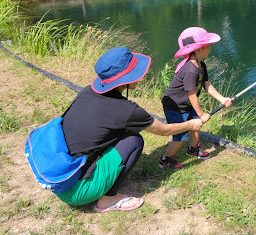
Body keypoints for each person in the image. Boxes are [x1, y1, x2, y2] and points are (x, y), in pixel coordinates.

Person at [57, 47, 205, 213]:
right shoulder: (126, 110)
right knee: (134, 140)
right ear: (125, 79)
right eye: (136, 73)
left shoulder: (87, 92)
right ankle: (108, 199)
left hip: (60, 177)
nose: (140, 77)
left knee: (120, 134)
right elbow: (163, 130)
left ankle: (101, 180)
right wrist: (192, 124)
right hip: (77, 190)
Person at [159, 27, 232, 169]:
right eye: (207, 46)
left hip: (185, 103)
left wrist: (222, 99)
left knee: (196, 125)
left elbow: (207, 85)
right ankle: (166, 159)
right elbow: (191, 94)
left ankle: (193, 149)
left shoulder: (201, 65)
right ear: (198, 50)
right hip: (174, 106)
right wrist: (201, 113)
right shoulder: (190, 70)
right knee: (180, 136)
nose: (210, 48)